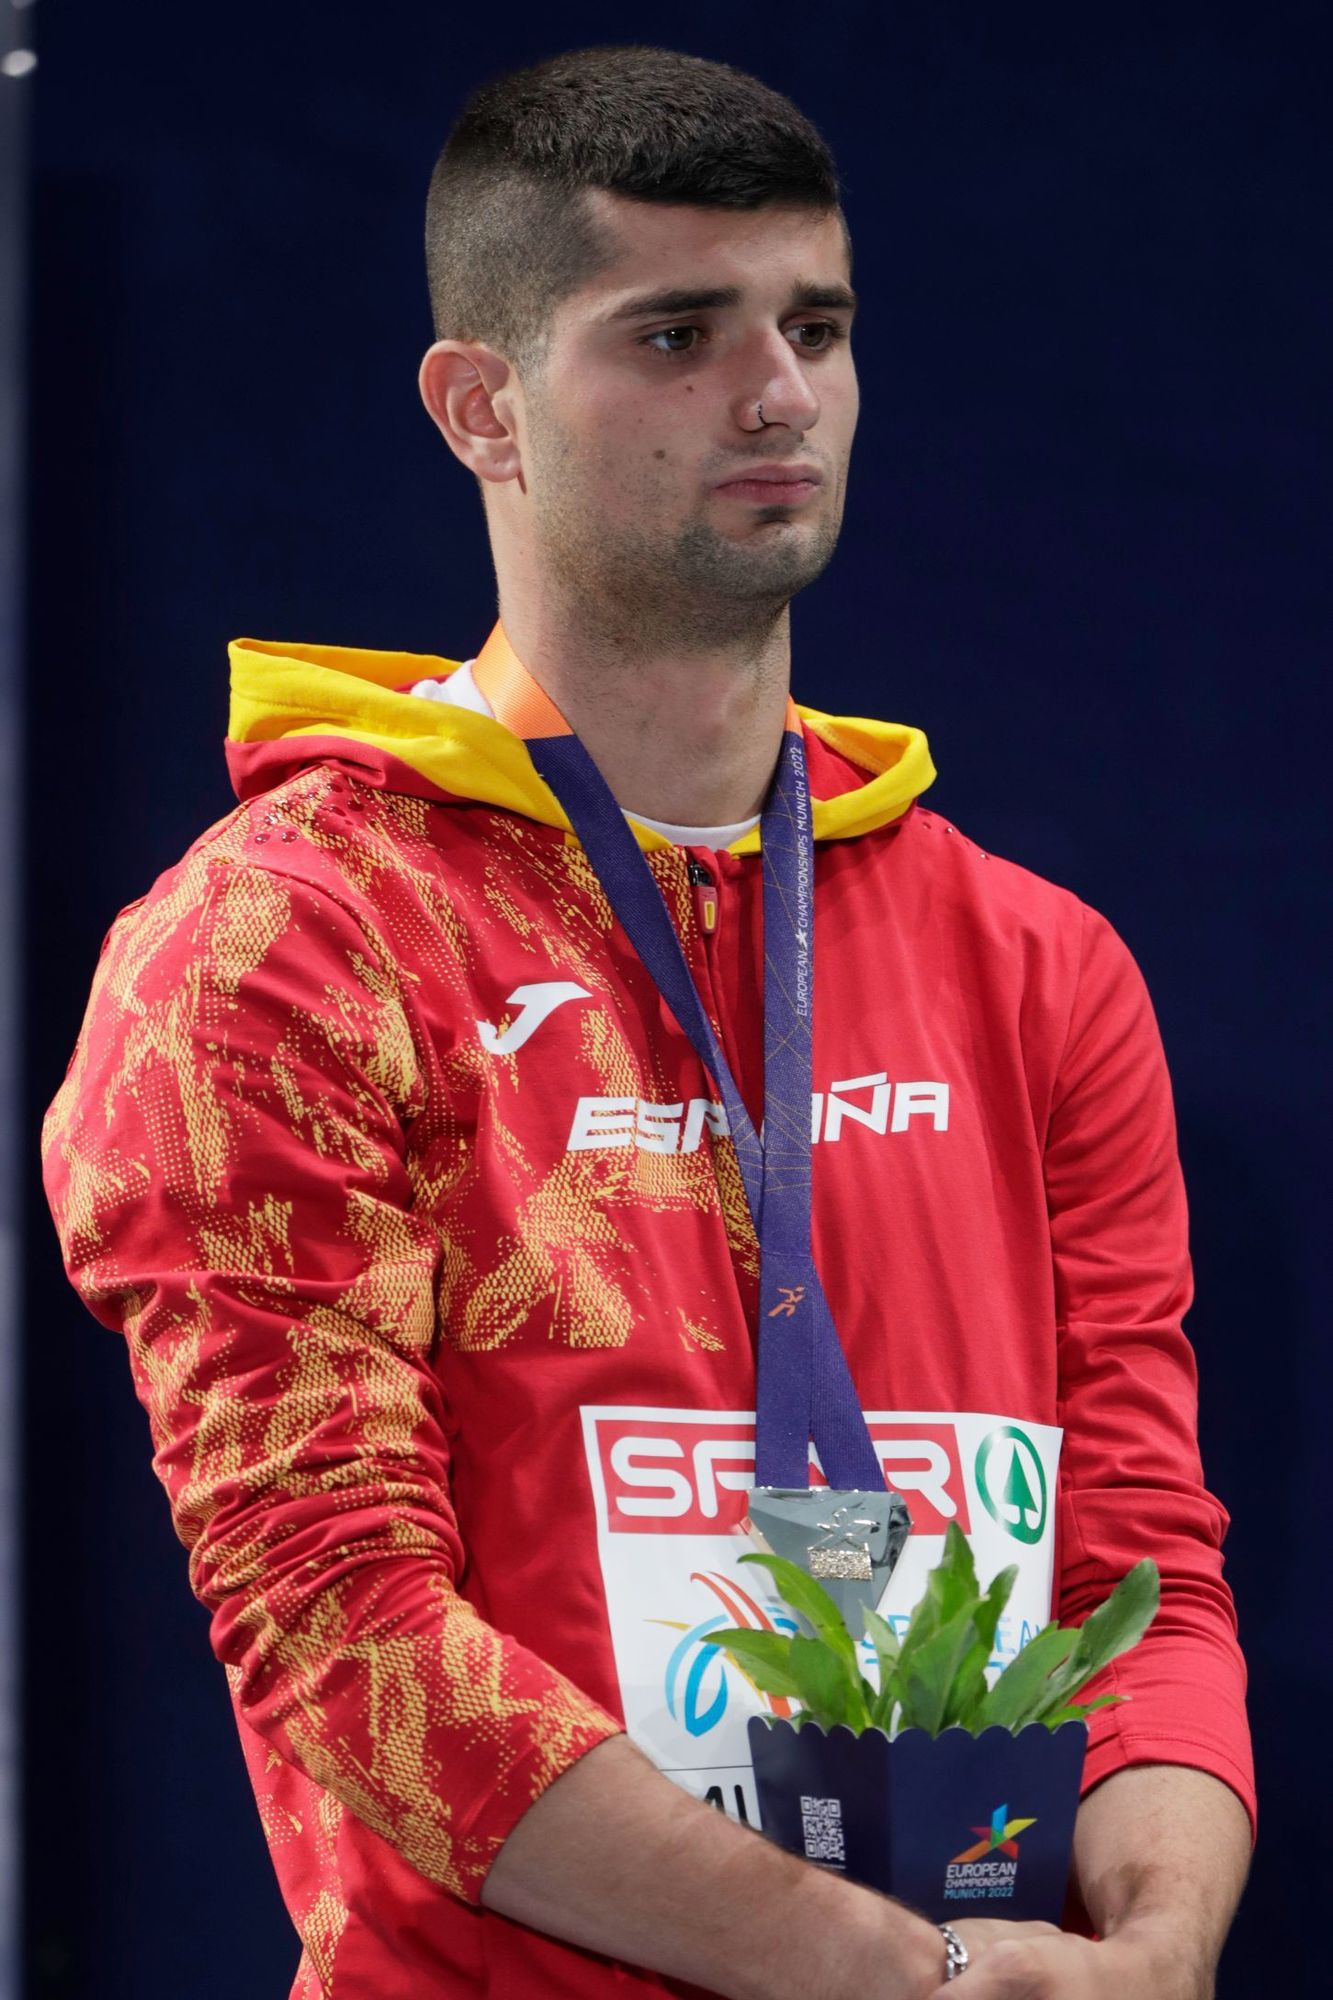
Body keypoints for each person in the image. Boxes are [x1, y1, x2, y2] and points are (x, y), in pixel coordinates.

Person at [41, 43, 1254, 2000]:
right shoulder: (281, 948)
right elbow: (336, 1618)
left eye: (818, 323)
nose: (777, 392)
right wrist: (874, 1971)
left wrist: (1162, 1941)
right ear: (479, 408)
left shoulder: (1039, 961)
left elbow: (1136, 1552)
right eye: (677, 333)